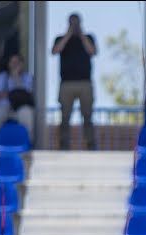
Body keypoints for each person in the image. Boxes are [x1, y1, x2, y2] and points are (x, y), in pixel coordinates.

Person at [52, 12, 97, 150]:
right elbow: (55, 50)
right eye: (72, 23)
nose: (74, 26)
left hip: (85, 83)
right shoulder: (60, 38)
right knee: (65, 118)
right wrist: (68, 35)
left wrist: (81, 35)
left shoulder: (88, 37)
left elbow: (93, 51)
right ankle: (64, 146)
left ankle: (90, 146)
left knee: (88, 116)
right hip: (66, 83)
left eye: (76, 23)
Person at [0, 53, 35, 136]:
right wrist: (15, 93)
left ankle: (28, 142)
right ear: (8, 64)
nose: (14, 65)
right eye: (12, 62)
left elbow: (27, 94)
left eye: (17, 62)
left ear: (22, 64)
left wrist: (16, 77)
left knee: (28, 115)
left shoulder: (28, 77)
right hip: (3, 106)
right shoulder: (2, 76)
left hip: (21, 107)